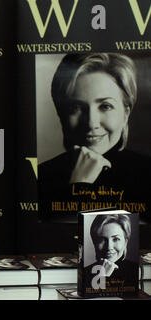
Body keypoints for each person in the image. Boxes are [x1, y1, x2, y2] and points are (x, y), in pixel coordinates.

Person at [38, 53, 151, 220]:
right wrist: (80, 183)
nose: (91, 123)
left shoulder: (148, 174)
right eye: (76, 107)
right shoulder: (40, 177)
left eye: (105, 106)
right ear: (61, 114)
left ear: (126, 113)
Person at [83, 214, 137, 293]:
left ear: (125, 242)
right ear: (94, 242)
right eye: (102, 239)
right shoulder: (85, 273)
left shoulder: (135, 271)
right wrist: (103, 275)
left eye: (116, 239)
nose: (109, 247)